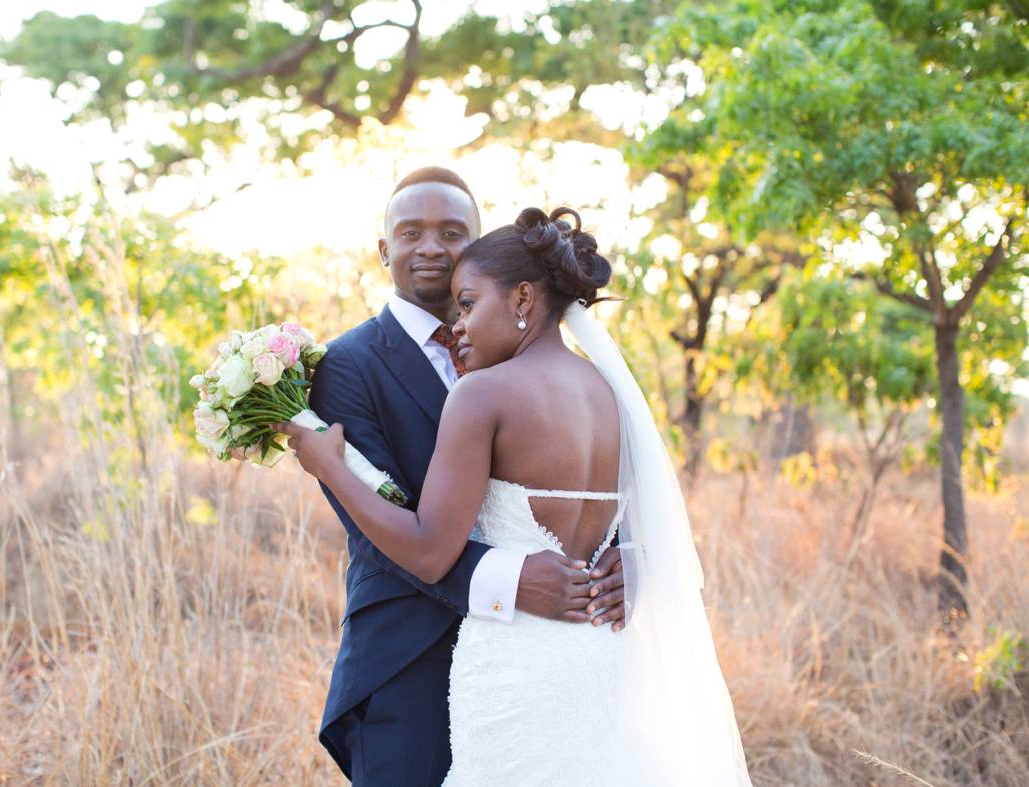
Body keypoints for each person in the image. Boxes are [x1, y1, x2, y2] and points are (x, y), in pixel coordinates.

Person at [278, 206, 753, 784]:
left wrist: (332, 470)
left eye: (469, 304)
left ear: (523, 300)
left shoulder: (482, 396)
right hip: (600, 656)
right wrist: (634, 559)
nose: (458, 324)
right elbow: (640, 520)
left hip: (515, 665)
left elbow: (430, 551)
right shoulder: (610, 393)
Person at [296, 169, 627, 785]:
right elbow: (381, 530)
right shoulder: (347, 365)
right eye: (410, 232)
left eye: (451, 233)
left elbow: (615, 494)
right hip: (410, 660)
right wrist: (511, 579)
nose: (430, 247)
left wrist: (620, 559)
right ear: (383, 250)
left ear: (476, 245)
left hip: (547, 654)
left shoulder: (526, 369)